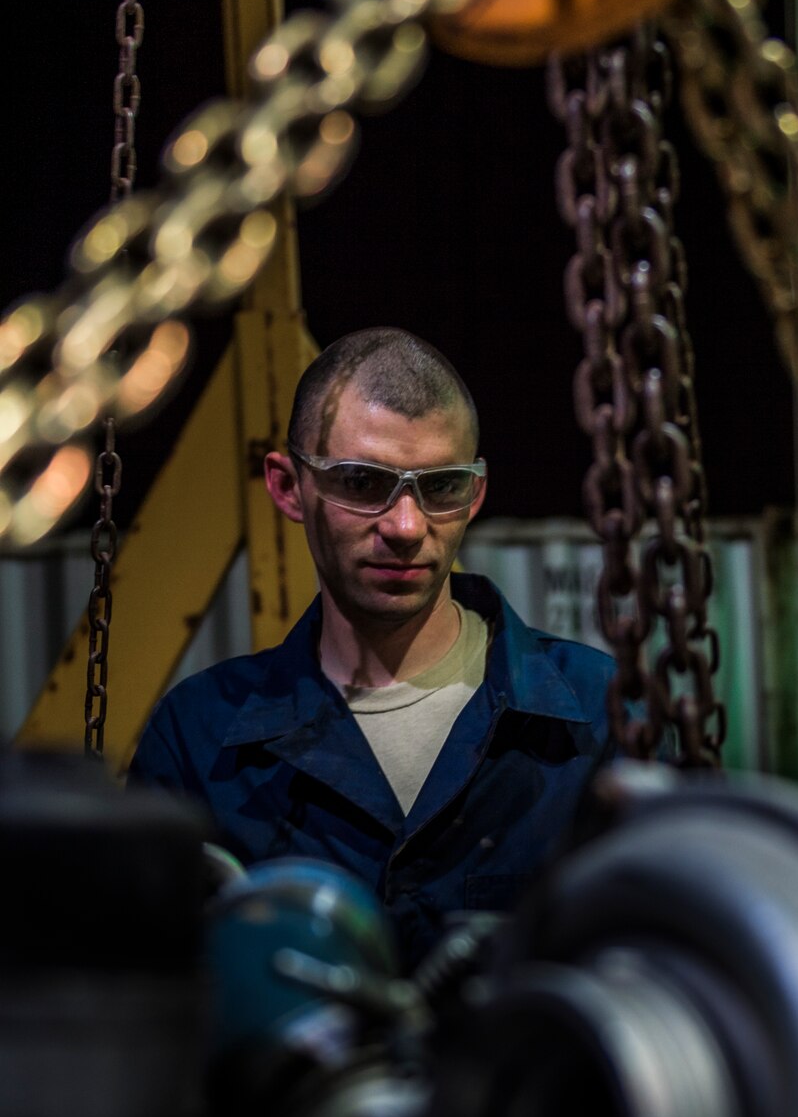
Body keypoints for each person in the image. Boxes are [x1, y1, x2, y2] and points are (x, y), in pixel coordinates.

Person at [130, 326, 616, 969]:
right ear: (286, 487)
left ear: (475, 493)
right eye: (361, 483)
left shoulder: (599, 716)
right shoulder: (198, 742)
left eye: (440, 486)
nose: (407, 527)